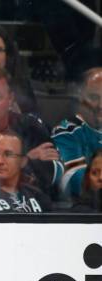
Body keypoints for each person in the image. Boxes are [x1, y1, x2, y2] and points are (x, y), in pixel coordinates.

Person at [52, 67, 102, 198]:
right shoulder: (66, 132)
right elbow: (73, 179)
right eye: (94, 97)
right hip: (85, 211)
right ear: (80, 98)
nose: (101, 105)